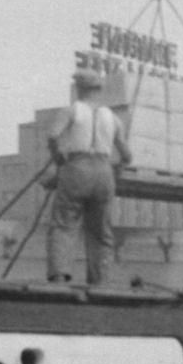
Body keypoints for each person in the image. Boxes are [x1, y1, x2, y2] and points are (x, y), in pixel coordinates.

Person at [45, 67, 131, 284]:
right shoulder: (112, 117)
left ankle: (60, 277)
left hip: (76, 168)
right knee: (100, 232)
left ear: (78, 88)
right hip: (104, 174)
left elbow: (53, 136)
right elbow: (128, 155)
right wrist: (118, 169)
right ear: (99, 90)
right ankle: (100, 281)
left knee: (64, 224)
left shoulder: (71, 110)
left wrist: (59, 159)